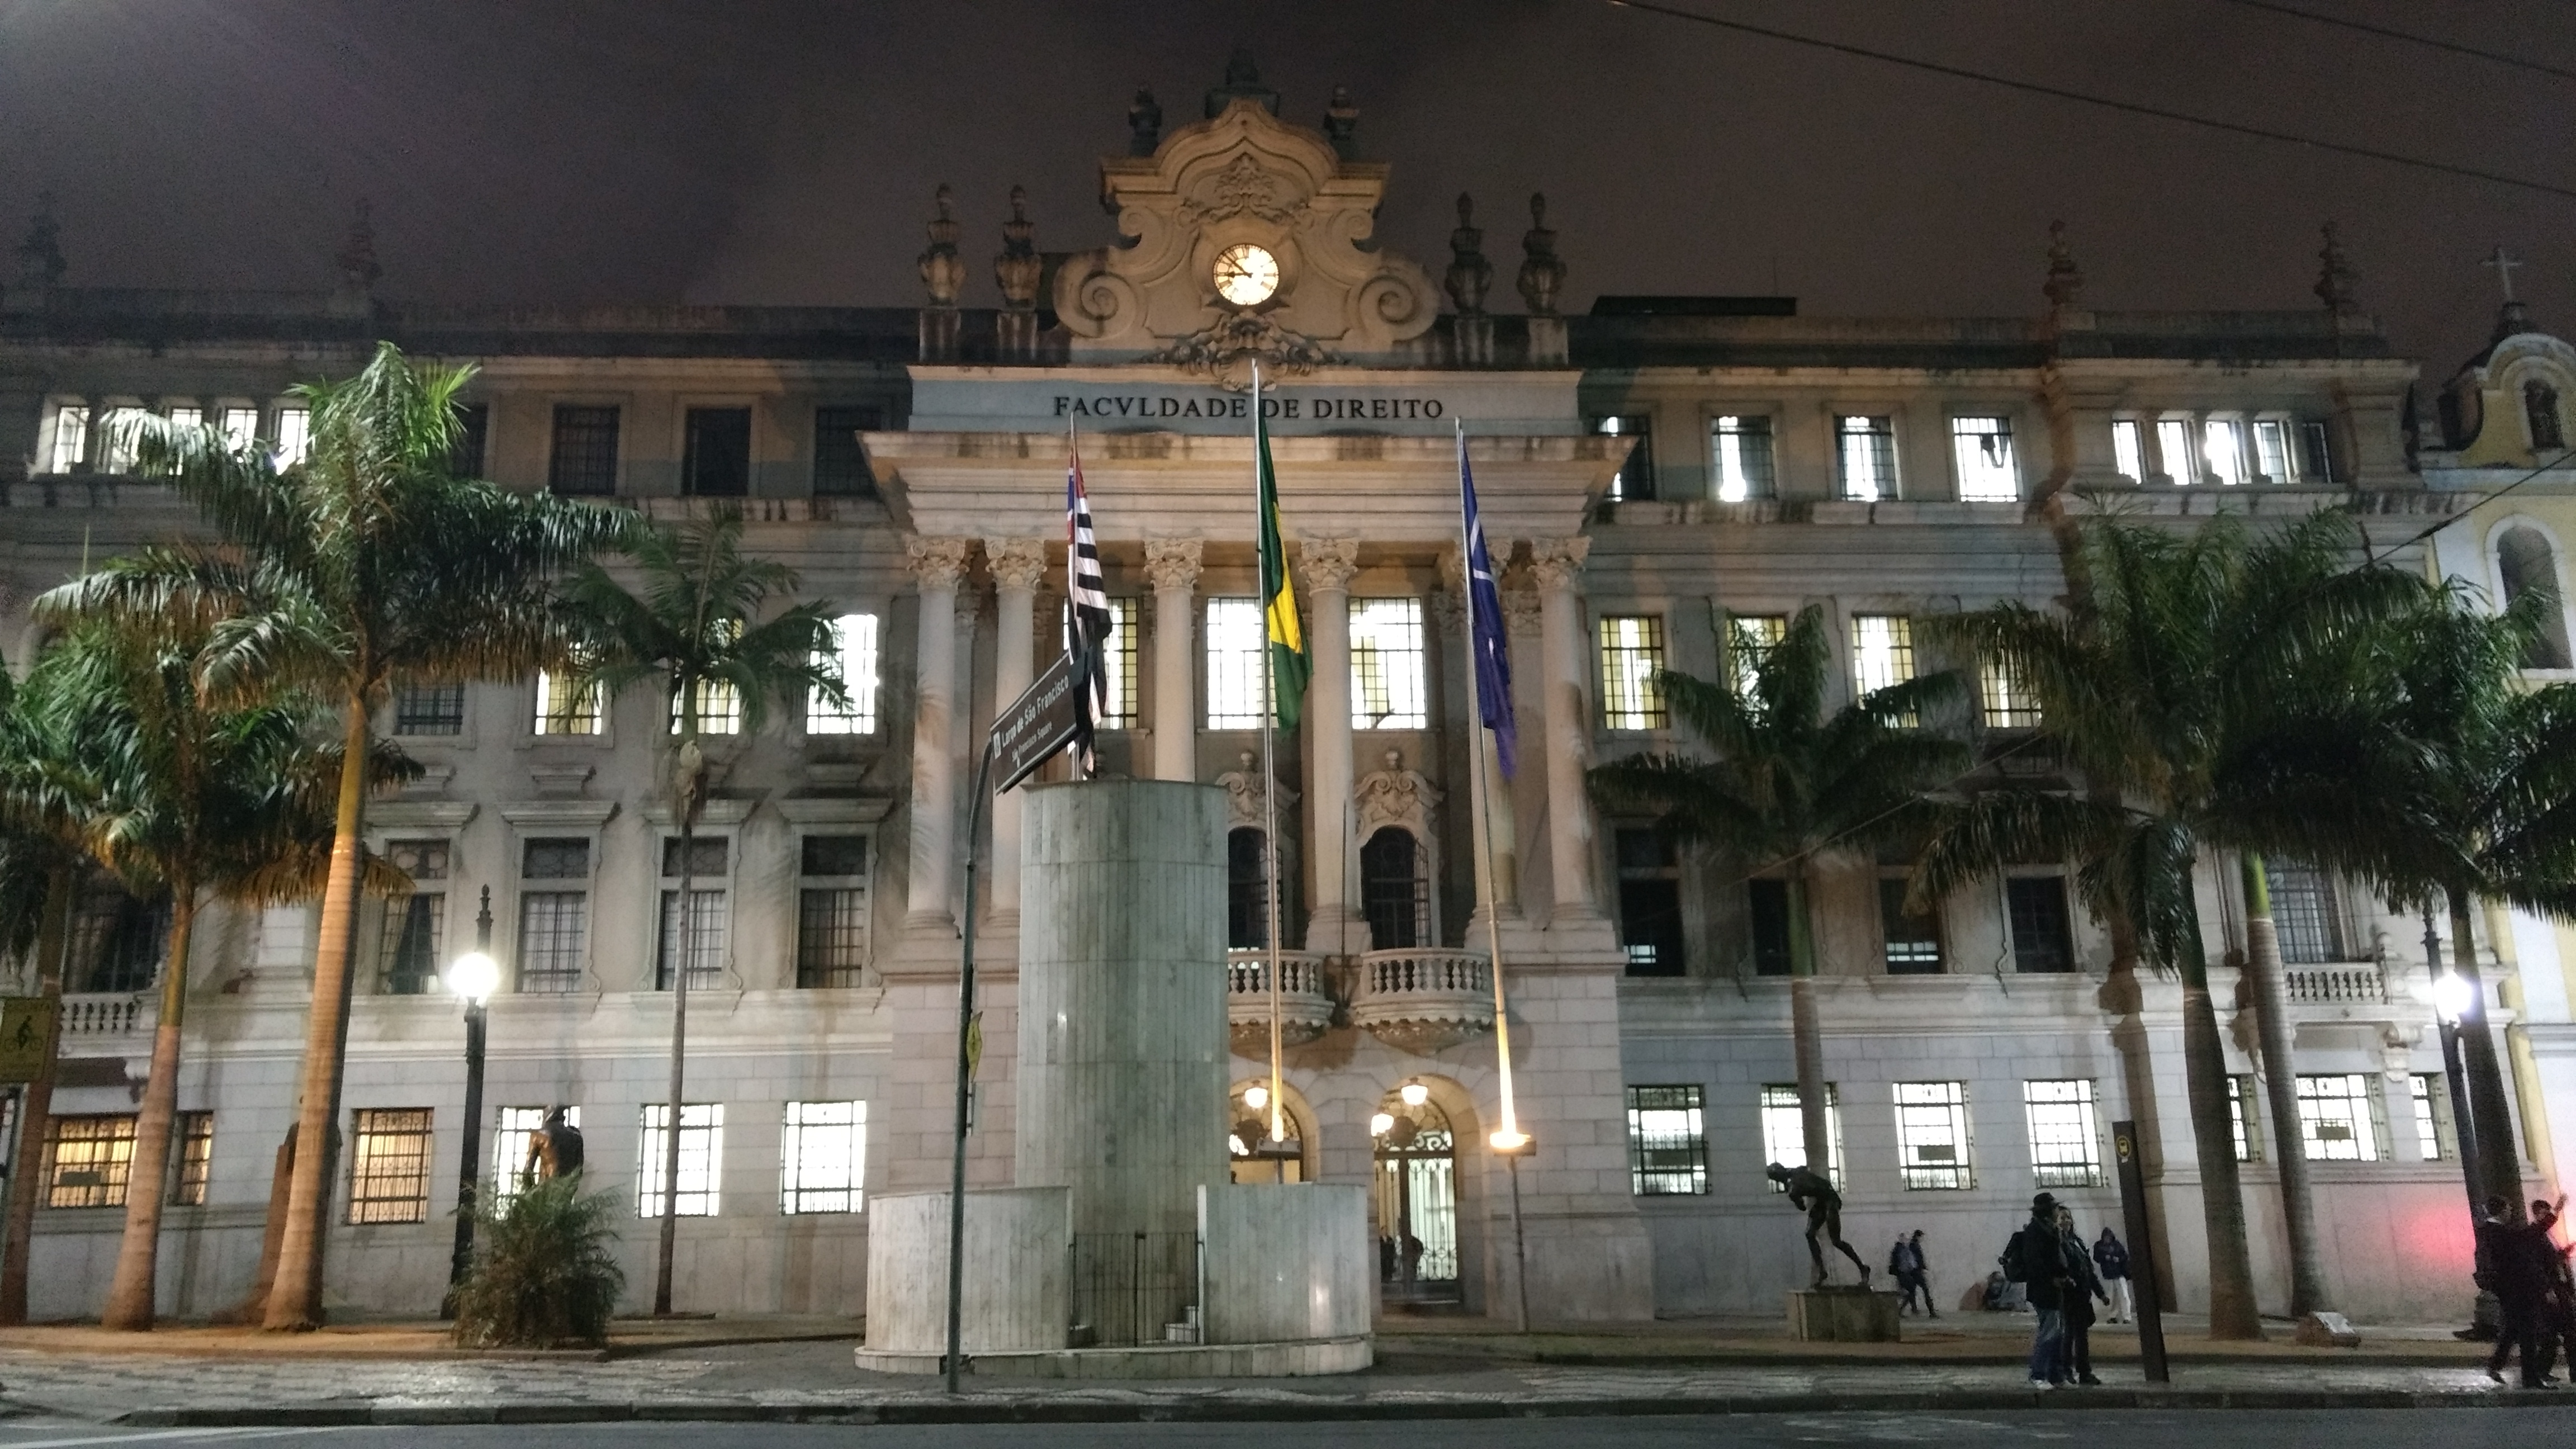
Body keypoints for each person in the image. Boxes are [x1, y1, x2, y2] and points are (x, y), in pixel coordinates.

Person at [2489, 1198, 2561, 1388]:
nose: (2511, 1212)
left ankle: (2497, 1366)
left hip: (2515, 1291)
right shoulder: (2499, 1233)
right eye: (2508, 1209)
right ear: (2502, 1211)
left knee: (2514, 1330)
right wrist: (2554, 1213)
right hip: (2518, 1291)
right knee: (2528, 1334)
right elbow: (2528, 1246)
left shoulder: (2496, 1231)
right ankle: (2530, 1378)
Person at [1768, 1162, 1871, 1287]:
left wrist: (1796, 1197)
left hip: (1830, 1199)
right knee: (1809, 1234)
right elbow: (1802, 1205)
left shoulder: (1794, 1181)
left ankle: (1862, 1268)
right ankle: (1822, 1270)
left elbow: (1803, 1204)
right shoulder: (1794, 1181)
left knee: (1836, 1241)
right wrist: (1796, 1197)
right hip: (1821, 1201)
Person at [2011, 1191, 2073, 1390]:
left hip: (2054, 1289)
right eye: (2055, 1208)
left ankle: (2056, 1375)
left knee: (2057, 1333)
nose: (2057, 1211)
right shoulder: (2036, 1232)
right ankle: (2038, 1374)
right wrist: (2052, 1278)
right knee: (2050, 1332)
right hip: (2044, 1290)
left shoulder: (2049, 1229)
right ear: (2048, 1211)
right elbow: (2035, 1262)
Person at [2056, 1205, 2109, 1385]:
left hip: (2082, 1295)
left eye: (2068, 1217)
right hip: (2070, 1296)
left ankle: (2080, 1371)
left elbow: (2088, 1270)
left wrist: (2100, 1293)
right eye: (2062, 1218)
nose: (2066, 1221)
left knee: (2079, 1334)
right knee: (2071, 1334)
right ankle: (2071, 1370)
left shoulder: (2076, 1241)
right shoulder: (2058, 1243)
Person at [523, 1105, 584, 1186]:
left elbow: (528, 1170)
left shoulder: (540, 1135)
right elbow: (579, 1171)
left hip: (546, 1186)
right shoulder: (576, 1137)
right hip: (567, 1187)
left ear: (547, 1116)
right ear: (563, 1118)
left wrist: (532, 1190)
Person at [2094, 1226, 2133, 1324]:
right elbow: (2096, 1257)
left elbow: (2125, 1256)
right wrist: (2104, 1257)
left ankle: (2126, 1316)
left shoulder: (2116, 1245)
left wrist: (2118, 1259)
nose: (2107, 1239)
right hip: (2109, 1274)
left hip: (2118, 1273)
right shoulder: (2100, 1245)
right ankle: (2114, 1315)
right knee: (2113, 1296)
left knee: (2123, 1295)